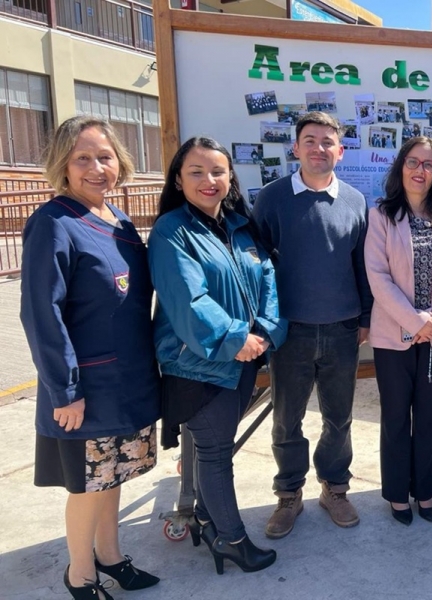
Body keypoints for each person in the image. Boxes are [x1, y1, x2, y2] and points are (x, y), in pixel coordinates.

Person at [20, 116, 160, 599]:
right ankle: (80, 573)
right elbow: (42, 313)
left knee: (115, 476)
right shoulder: (54, 222)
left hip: (132, 380)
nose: (97, 167)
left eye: (105, 156)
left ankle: (111, 556)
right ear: (62, 165)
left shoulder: (119, 221)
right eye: (83, 158)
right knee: (88, 485)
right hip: (88, 390)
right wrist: (66, 390)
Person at [148, 137, 287, 573]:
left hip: (245, 358)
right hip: (199, 366)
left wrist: (264, 332)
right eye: (196, 172)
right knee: (213, 454)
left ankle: (208, 522)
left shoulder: (241, 227)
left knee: (217, 450)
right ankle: (231, 540)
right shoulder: (172, 230)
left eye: (217, 171)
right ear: (178, 179)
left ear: (230, 177)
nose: (209, 181)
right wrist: (235, 339)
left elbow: (267, 279)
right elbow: (188, 300)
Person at [252, 112, 372, 539]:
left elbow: (362, 265)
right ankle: (288, 496)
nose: (319, 148)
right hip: (290, 333)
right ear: (296, 148)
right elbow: (257, 266)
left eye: (327, 142)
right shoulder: (271, 198)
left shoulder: (356, 201)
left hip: (342, 330)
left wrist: (365, 318)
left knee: (338, 419)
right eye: (310, 140)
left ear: (340, 151)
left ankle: (335, 489)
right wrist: (265, 323)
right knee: (287, 420)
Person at [365, 137, 432, 525]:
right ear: (401, 167)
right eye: (413, 162)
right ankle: (396, 494)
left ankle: (424, 489)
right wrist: (414, 321)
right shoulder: (381, 215)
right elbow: (377, 276)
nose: (420, 170)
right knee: (395, 416)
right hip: (394, 337)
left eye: (428, 164)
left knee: (428, 416)